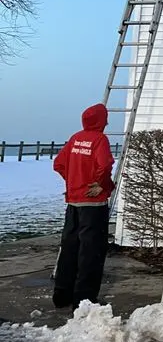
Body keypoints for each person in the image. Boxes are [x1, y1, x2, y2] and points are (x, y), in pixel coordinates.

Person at [52, 103, 115, 309]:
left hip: (73, 202)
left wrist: (72, 182)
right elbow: (104, 165)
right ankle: (84, 300)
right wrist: (100, 184)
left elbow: (59, 164)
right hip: (93, 205)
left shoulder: (75, 138)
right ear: (100, 120)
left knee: (70, 247)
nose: (106, 122)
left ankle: (62, 294)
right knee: (91, 251)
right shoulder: (99, 139)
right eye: (105, 118)